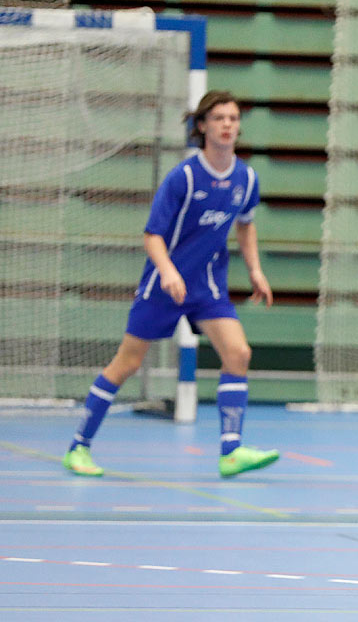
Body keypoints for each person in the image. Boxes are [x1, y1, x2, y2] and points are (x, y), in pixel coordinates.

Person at [62, 91, 280, 479]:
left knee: (239, 353)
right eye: (218, 118)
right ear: (202, 126)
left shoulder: (246, 178)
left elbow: (245, 225)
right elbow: (152, 235)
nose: (227, 124)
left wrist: (256, 271)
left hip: (207, 285)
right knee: (126, 364)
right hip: (164, 285)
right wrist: (167, 272)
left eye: (233, 118)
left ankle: (231, 452)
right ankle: (79, 446)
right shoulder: (184, 177)